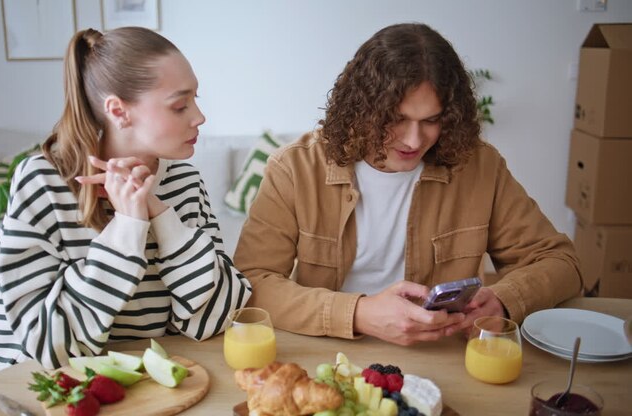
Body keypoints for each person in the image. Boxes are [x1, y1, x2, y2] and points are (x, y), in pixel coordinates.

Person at [233, 23, 581, 346]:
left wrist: (505, 299)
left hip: (438, 354)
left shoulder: (479, 166)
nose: (414, 140)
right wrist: (358, 313)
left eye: (431, 121)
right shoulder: (295, 168)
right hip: (332, 349)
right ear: (361, 108)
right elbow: (252, 281)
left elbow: (560, 261)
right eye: (396, 119)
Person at [0, 27, 251, 372]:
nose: (199, 116)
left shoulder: (185, 182)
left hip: (152, 390)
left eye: (196, 99)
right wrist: (127, 228)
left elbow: (217, 318)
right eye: (180, 105)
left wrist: (158, 212)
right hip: (44, 393)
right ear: (119, 111)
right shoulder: (43, 181)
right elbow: (50, 346)